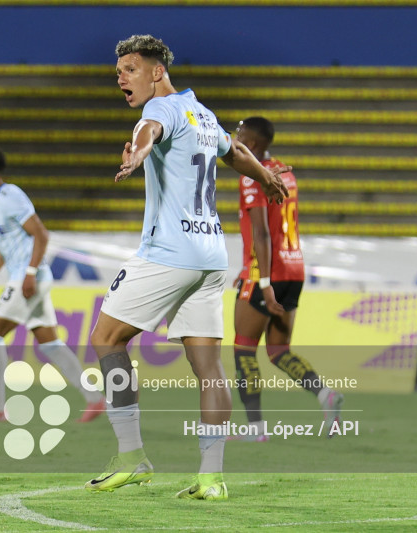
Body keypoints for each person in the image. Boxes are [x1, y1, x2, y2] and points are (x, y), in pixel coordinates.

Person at [85, 35, 289, 500]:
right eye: (118, 71)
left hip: (168, 254)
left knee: (106, 338)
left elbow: (148, 130)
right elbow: (234, 151)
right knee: (209, 368)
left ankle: (131, 456)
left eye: (130, 69)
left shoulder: (159, 111)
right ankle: (211, 478)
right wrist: (267, 175)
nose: (121, 78)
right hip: (212, 256)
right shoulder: (202, 113)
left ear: (157, 72)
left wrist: (138, 152)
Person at [0, 143, 106, 423]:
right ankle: (95, 399)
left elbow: (41, 235)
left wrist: (29, 272)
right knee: (51, 343)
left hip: (29, 278)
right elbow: (4, 244)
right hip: (27, 277)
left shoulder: (12, 196)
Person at [232, 116, 343, 442]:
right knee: (278, 350)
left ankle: (256, 430)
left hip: (265, 270)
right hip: (295, 268)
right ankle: (326, 395)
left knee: (244, 348)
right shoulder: (285, 171)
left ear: (250, 144)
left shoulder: (253, 177)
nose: (234, 140)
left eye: (239, 136)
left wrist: (264, 284)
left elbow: (263, 233)